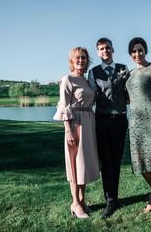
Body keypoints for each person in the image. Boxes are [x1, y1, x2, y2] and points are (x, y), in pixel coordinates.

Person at [53, 47, 100, 219]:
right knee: (74, 165)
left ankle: (82, 201)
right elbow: (64, 105)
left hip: (89, 121)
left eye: (84, 58)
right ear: (72, 61)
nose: (81, 61)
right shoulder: (67, 79)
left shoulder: (87, 81)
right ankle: (75, 204)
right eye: (78, 58)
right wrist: (68, 130)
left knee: (84, 165)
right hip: (75, 123)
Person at [125, 37, 151, 213]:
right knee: (140, 160)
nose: (137, 54)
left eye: (140, 50)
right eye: (134, 51)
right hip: (135, 121)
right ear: (130, 54)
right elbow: (128, 98)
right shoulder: (129, 74)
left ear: (145, 50)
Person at [88, 38, 129, 218]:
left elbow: (128, 92)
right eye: (101, 49)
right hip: (102, 121)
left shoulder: (123, 68)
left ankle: (116, 197)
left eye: (107, 48)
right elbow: (90, 95)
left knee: (117, 160)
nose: (105, 51)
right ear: (98, 52)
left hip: (120, 120)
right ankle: (110, 201)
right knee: (106, 161)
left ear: (113, 49)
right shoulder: (93, 72)